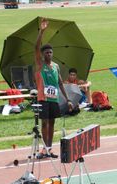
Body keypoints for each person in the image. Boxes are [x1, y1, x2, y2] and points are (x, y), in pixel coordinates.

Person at [34, 18, 73, 159]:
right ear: (43, 55)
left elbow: (60, 83)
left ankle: (49, 149)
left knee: (52, 123)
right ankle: (43, 149)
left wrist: (67, 99)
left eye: (50, 52)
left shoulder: (56, 66)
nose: (48, 54)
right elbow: (36, 47)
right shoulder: (40, 65)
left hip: (54, 99)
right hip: (43, 99)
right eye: (46, 53)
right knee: (44, 123)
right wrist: (42, 31)